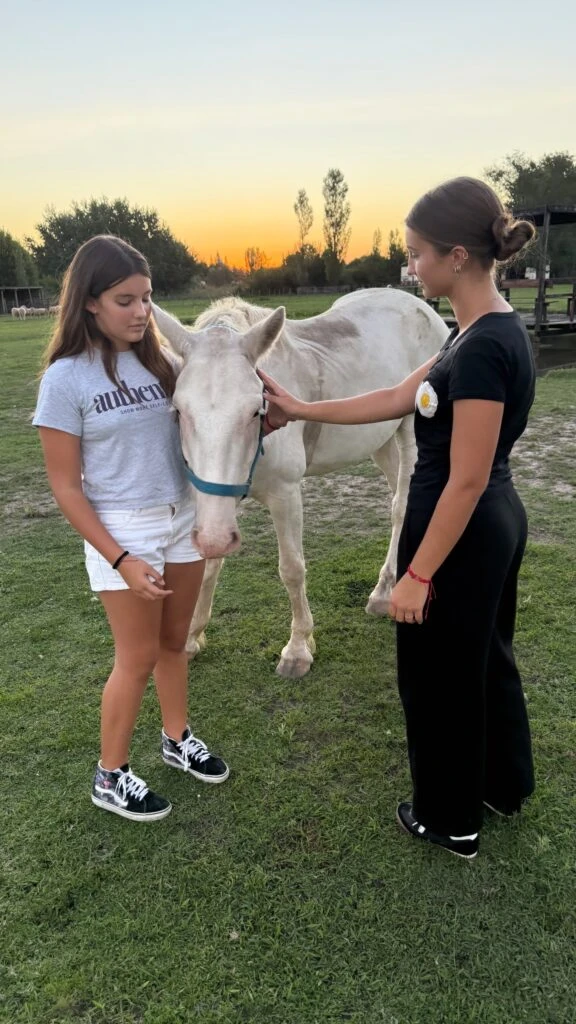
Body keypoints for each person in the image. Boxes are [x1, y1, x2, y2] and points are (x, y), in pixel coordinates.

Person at [259, 177, 537, 859]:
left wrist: (416, 575)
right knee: (484, 661)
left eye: (416, 254)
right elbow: (392, 398)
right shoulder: (475, 333)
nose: (410, 267)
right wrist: (300, 408)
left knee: (439, 678)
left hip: (461, 530)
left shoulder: (482, 349)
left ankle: (450, 820)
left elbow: (466, 478)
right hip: (485, 522)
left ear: (458, 257)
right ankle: (504, 785)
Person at [33, 235, 230, 822]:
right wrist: (120, 559)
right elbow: (66, 488)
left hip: (181, 518)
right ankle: (110, 775)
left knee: (175, 642)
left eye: (146, 298)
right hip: (122, 530)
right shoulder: (65, 379)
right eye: (126, 300)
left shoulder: (164, 363)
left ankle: (176, 738)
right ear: (90, 302)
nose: (142, 312)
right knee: (137, 657)